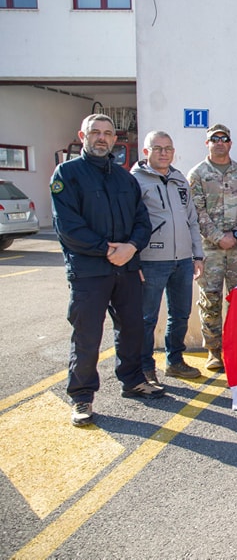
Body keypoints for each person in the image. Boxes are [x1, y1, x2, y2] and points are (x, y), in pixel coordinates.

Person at [51, 114, 163, 426]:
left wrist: (131, 247)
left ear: (114, 139)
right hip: (89, 270)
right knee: (87, 335)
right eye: (95, 132)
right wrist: (107, 250)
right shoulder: (67, 174)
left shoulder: (124, 178)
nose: (101, 138)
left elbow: (142, 221)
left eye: (107, 133)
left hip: (126, 267)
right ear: (82, 136)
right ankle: (82, 396)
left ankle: (133, 380)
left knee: (132, 328)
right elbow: (68, 226)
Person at [130, 130, 204, 386]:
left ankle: (175, 361)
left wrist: (197, 254)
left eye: (168, 148)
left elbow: (191, 219)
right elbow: (129, 223)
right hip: (151, 260)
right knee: (147, 318)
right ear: (146, 151)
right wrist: (134, 260)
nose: (164, 153)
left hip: (182, 260)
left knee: (181, 314)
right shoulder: (135, 181)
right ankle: (145, 367)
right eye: (158, 148)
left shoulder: (179, 179)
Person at [188, 124, 237, 371]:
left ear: (230, 143)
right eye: (214, 139)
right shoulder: (197, 174)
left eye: (224, 138)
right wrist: (219, 237)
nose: (219, 142)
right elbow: (196, 211)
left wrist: (236, 233)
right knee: (210, 301)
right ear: (207, 143)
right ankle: (214, 351)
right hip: (210, 251)